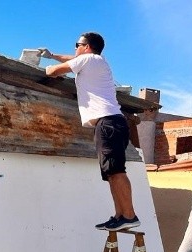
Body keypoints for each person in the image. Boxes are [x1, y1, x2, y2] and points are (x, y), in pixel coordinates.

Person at [41, 33, 140, 232]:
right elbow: (71, 59)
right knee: (112, 172)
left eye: (77, 44)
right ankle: (121, 215)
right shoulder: (95, 61)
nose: (75, 48)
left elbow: (54, 72)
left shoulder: (88, 59)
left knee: (116, 171)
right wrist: (52, 55)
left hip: (108, 123)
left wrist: (48, 66)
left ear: (87, 47)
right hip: (113, 122)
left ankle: (129, 215)